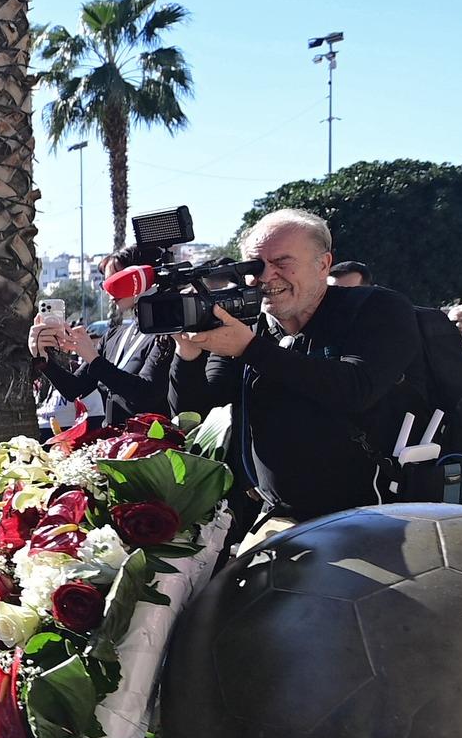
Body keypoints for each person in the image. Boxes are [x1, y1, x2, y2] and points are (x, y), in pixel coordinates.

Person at [172, 209, 420, 542]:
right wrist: (187, 354)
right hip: (276, 519)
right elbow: (197, 412)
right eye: (254, 266)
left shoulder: (375, 308)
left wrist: (251, 349)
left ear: (323, 264)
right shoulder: (249, 327)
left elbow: (356, 389)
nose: (266, 276)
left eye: (282, 262)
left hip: (371, 520)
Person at [31, 249, 174, 428]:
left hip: (151, 441)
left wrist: (93, 358)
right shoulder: (113, 336)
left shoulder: (166, 336)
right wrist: (42, 358)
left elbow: (146, 395)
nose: (108, 290)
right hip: (113, 440)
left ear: (141, 278)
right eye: (105, 283)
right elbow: (75, 389)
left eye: (117, 281)